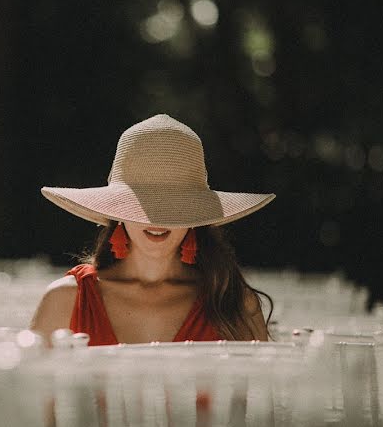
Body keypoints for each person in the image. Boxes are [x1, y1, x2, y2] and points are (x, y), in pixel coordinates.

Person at [31, 114, 275, 345]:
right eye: (140, 205)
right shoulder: (65, 300)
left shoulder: (235, 304)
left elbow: (261, 390)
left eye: (175, 207)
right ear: (117, 212)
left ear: (197, 216)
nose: (156, 220)